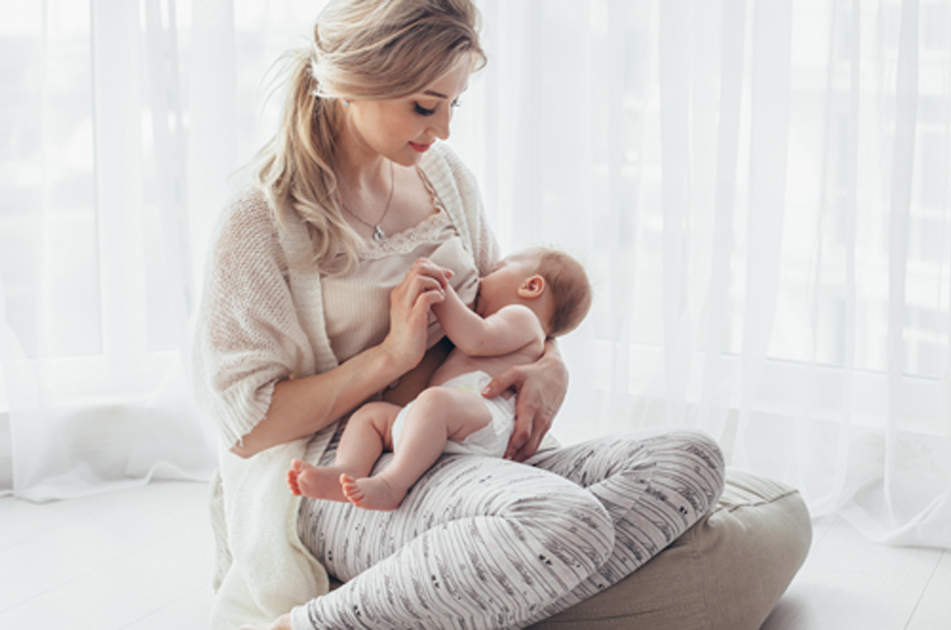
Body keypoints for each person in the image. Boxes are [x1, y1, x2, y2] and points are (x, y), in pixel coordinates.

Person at [193, 2, 732, 628]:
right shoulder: (258, 217)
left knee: (693, 457)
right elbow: (249, 427)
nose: (443, 130)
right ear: (355, 81)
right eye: (425, 106)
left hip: (475, 442)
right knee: (565, 521)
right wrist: (391, 357)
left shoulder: (444, 177)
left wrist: (550, 367)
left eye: (455, 104)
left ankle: (482, 587)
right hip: (355, 463)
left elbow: (509, 306)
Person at [287, 247, 592, 511]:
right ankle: (347, 472)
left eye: (497, 269)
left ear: (531, 286)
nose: (482, 279)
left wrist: (442, 293)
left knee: (434, 401)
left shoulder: (523, 318)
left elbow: (476, 338)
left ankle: (392, 484)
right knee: (370, 416)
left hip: (484, 419)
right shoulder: (522, 329)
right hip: (438, 422)